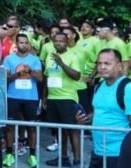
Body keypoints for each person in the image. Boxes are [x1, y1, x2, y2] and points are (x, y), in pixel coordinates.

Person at [77, 49, 131, 168]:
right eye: (99, 63)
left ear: (119, 66)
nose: (102, 67)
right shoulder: (99, 86)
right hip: (98, 151)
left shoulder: (129, 88)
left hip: (119, 154)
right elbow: (100, 113)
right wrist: (84, 119)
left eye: (107, 63)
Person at [1, 34, 42, 168]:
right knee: (10, 126)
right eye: (21, 42)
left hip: (31, 97)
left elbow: (40, 78)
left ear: (29, 44)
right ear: (16, 44)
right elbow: (5, 78)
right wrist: (17, 74)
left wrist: (29, 70)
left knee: (31, 127)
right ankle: (9, 154)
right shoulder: (9, 59)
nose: (23, 45)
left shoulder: (35, 59)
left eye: (26, 43)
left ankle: (32, 156)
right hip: (13, 96)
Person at [43, 31, 82, 167]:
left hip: (67, 97)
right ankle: (63, 157)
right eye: (56, 41)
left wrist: (62, 63)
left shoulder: (73, 56)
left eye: (61, 41)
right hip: (52, 97)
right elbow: (47, 77)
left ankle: (77, 160)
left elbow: (76, 76)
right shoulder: (49, 56)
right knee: (59, 130)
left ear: (67, 42)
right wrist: (44, 97)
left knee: (72, 130)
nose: (58, 43)